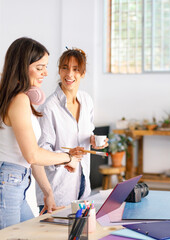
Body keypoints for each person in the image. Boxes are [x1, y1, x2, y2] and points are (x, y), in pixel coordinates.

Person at [0, 37, 82, 229]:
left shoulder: (19, 98)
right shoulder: (18, 99)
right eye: (39, 67)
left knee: (31, 232)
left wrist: (48, 192)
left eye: (45, 66)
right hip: (9, 182)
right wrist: (67, 158)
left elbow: (29, 156)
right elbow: (33, 154)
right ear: (22, 66)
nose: (46, 72)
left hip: (17, 181)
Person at [32, 47, 108, 211]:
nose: (69, 74)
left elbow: (87, 132)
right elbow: (42, 151)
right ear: (59, 70)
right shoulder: (49, 107)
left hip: (83, 187)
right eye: (65, 68)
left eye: (75, 69)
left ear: (83, 73)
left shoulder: (87, 100)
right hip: (57, 191)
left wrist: (93, 140)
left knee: (82, 235)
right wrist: (67, 156)